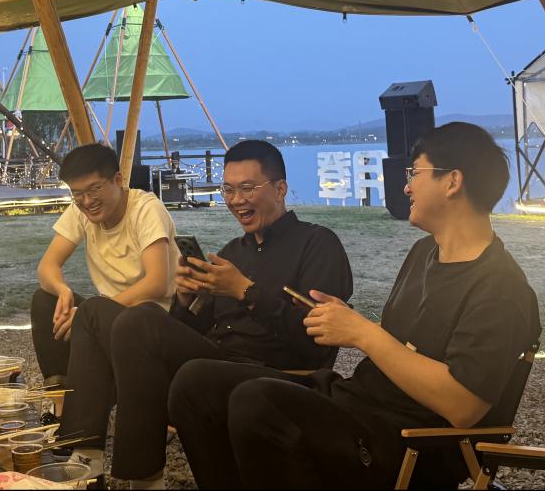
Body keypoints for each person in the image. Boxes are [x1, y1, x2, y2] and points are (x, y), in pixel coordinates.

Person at [168, 122, 542, 489]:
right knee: (197, 381)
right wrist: (346, 323)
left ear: (452, 181)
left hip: (408, 443)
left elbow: (463, 405)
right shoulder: (425, 252)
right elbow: (406, 345)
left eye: (415, 173)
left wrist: (363, 334)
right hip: (355, 405)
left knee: (258, 403)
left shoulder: (500, 289)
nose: (406, 186)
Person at [59, 140, 354, 489]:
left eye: (248, 188)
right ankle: (85, 457)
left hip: (276, 372)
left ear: (280, 188)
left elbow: (314, 343)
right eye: (228, 189)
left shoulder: (317, 243)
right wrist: (186, 299)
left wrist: (245, 292)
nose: (236, 200)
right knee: (95, 311)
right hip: (215, 359)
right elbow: (192, 329)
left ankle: (144, 481)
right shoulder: (232, 253)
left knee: (145, 325)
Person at [30, 143, 178, 390]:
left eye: (95, 189)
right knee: (45, 300)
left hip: (153, 320)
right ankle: (60, 397)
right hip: (107, 316)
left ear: (117, 180)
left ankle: (94, 395)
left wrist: (92, 314)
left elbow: (157, 283)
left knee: (92, 310)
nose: (87, 201)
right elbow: (47, 266)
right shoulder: (80, 211)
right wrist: (63, 291)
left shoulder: (145, 209)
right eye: (77, 194)